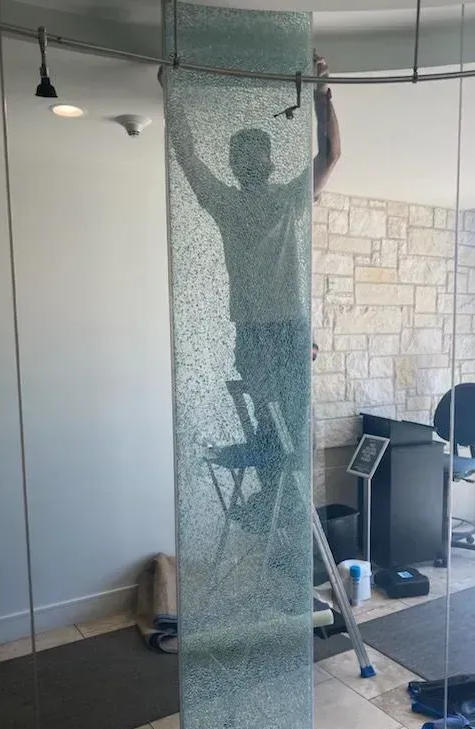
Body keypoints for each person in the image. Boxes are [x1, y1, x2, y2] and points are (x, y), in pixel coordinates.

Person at [161, 53, 340, 472]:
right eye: (247, 157)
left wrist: (172, 94)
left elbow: (187, 156)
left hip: (270, 325)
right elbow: (330, 155)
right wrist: (320, 92)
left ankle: (278, 513)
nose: (249, 163)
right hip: (269, 326)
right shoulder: (259, 201)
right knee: (276, 431)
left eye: (249, 156)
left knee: (279, 430)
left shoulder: (248, 202)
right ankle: (273, 511)